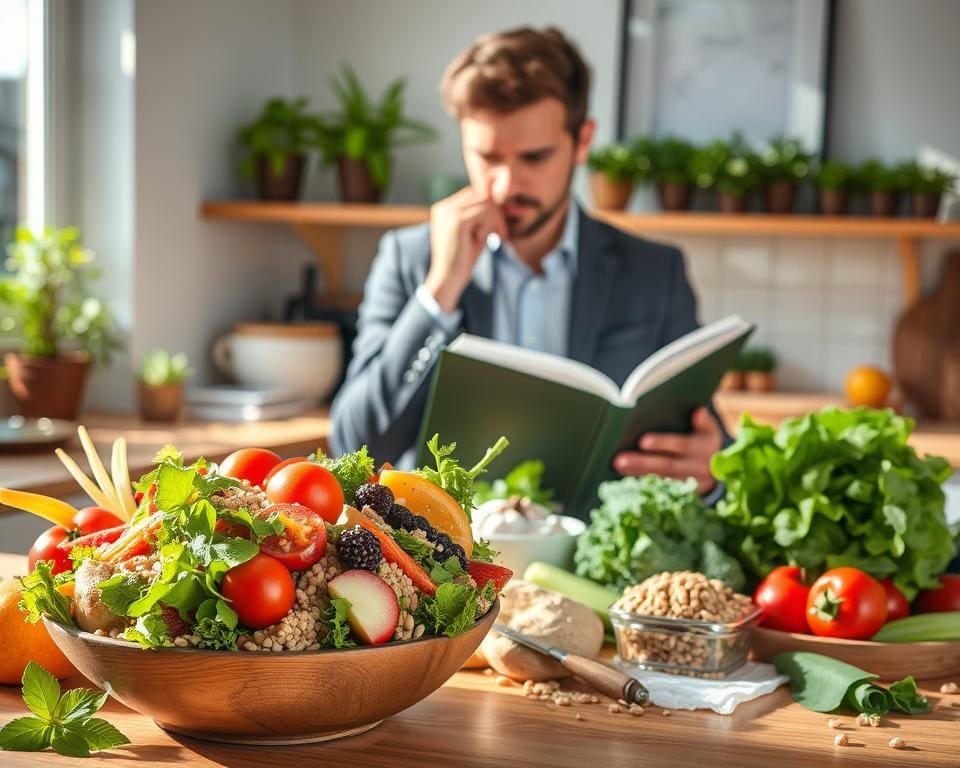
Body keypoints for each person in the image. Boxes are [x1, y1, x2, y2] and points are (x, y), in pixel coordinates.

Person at [331, 26, 723, 495]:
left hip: (593, 556)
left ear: (582, 141)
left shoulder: (655, 273)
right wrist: (440, 291)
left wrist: (710, 472)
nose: (504, 186)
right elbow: (352, 443)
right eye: (487, 156)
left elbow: (707, 442)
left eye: (534, 158)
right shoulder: (410, 258)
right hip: (444, 554)